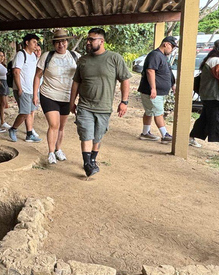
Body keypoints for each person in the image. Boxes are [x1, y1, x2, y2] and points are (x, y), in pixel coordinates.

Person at [69, 28, 131, 178]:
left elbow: (125, 80)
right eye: (88, 39)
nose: (88, 42)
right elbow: (76, 83)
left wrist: (124, 101)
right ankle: (87, 165)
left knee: (97, 136)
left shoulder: (114, 58)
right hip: (85, 106)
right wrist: (71, 102)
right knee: (86, 134)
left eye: (92, 39)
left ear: (101, 41)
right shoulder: (83, 60)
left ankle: (92, 160)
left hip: (104, 107)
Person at [33, 29, 80, 164]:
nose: (61, 44)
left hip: (67, 97)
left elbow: (83, 76)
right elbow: (37, 76)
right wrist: (35, 94)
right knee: (54, 124)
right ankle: (51, 152)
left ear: (67, 42)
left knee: (61, 127)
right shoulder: (47, 56)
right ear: (54, 44)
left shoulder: (75, 56)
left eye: (63, 41)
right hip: (49, 95)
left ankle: (58, 149)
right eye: (58, 42)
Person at [189, 40, 219, 153]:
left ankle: (191, 138)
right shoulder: (215, 60)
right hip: (215, 96)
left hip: (212, 96)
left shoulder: (214, 60)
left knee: (205, 119)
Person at [137, 36, 177, 143]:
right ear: (166, 44)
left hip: (158, 91)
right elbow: (150, 71)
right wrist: (153, 88)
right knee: (158, 112)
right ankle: (165, 135)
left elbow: (167, 72)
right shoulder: (155, 55)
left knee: (150, 111)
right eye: (172, 46)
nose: (172, 49)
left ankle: (145, 133)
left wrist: (172, 84)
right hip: (153, 91)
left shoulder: (162, 56)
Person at [8, 34, 42, 143]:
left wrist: (38, 55)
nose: (36, 45)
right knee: (25, 113)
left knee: (31, 112)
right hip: (23, 89)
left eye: (36, 43)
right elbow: (16, 72)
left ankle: (29, 134)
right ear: (27, 42)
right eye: (34, 42)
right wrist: (20, 89)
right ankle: (13, 129)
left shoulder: (33, 55)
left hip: (32, 90)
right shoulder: (21, 54)